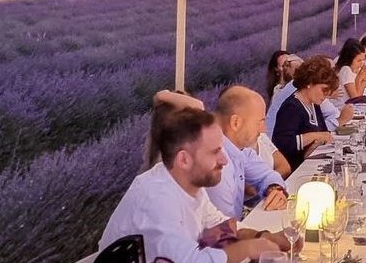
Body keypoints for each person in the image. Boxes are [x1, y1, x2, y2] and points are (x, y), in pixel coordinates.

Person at [101, 104, 289, 262]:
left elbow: (220, 226)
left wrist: (264, 237)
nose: (224, 160)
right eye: (215, 152)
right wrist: (249, 248)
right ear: (184, 159)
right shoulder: (156, 199)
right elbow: (191, 261)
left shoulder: (188, 183)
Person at [207, 86, 288, 220]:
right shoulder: (217, 163)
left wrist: (274, 189)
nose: (263, 130)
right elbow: (223, 227)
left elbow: (267, 175)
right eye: (260, 122)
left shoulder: (240, 150)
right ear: (236, 123)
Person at [271, 56, 337, 168]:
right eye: (324, 90)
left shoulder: (314, 105)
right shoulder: (292, 107)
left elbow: (324, 134)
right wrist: (315, 136)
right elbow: (282, 144)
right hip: (294, 170)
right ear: (309, 83)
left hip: (311, 164)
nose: (326, 95)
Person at [333, 39, 366, 105]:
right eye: (359, 61)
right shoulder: (345, 70)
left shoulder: (350, 70)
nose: (361, 64)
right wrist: (359, 79)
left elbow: (358, 95)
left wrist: (364, 80)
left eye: (362, 60)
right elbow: (355, 99)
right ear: (349, 59)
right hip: (341, 108)